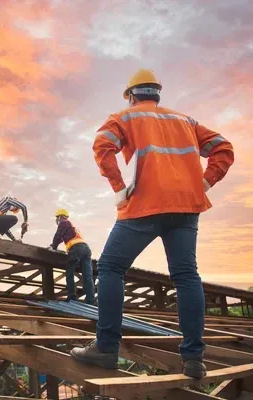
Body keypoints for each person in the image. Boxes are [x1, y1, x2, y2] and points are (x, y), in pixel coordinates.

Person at [70, 69, 234, 378]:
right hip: (186, 208)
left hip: (146, 205)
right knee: (186, 275)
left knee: (110, 268)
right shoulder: (185, 121)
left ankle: (106, 349)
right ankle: (194, 359)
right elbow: (224, 149)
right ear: (157, 95)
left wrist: (119, 190)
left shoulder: (126, 117)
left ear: (132, 96)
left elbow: (102, 147)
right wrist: (204, 184)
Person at [48, 209, 95, 305]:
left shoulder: (64, 222)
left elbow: (58, 235)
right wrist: (53, 244)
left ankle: (72, 297)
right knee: (87, 276)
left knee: (69, 272)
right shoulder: (71, 226)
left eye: (57, 218)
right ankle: (90, 301)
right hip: (86, 250)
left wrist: (53, 247)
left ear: (59, 216)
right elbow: (62, 238)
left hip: (76, 249)